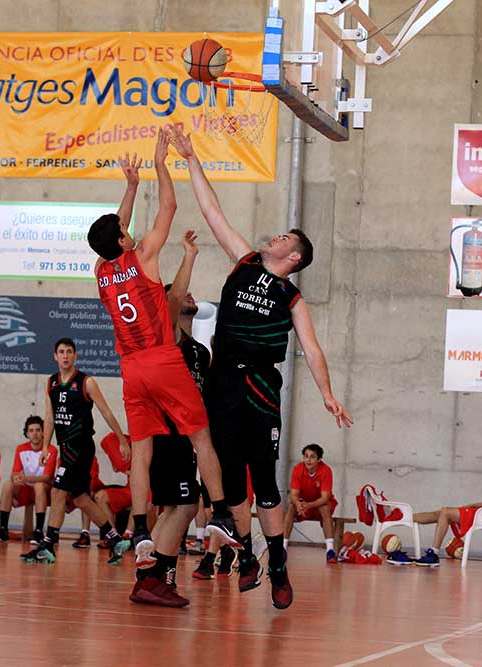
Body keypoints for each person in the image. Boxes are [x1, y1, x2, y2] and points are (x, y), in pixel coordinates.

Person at [168, 129, 353, 610]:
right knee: (231, 480)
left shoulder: (291, 296)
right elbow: (213, 212)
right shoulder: (245, 262)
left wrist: (328, 394)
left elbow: (312, 349)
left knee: (265, 481)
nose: (276, 236)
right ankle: (247, 556)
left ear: (294, 258)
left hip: (261, 387)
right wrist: (191, 157)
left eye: (285, 238)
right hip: (222, 380)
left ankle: (279, 565)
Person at [87, 127, 237, 572]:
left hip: (130, 369)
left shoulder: (101, 270)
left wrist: (131, 187)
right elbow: (168, 207)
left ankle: (139, 528)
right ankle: (222, 512)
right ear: (123, 241)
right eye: (124, 230)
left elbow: (112, 232)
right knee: (201, 437)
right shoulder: (144, 256)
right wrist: (159, 164)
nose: (129, 229)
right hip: (161, 358)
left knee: (142, 450)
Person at [130, 230, 211, 606]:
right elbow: (174, 294)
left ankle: (151, 577)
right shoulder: (165, 342)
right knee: (186, 504)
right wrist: (188, 256)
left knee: (177, 507)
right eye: (180, 295)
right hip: (164, 434)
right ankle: (153, 577)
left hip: (186, 439)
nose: (188, 296)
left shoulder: (200, 353)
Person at [20, 338, 129, 564]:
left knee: (58, 492)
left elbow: (107, 412)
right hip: (65, 447)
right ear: (55, 356)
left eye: (69, 351)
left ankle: (47, 545)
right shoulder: (51, 382)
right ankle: (115, 539)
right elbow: (50, 417)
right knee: (80, 499)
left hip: (81, 447)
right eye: (61, 352)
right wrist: (46, 446)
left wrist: (122, 440)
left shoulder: (86, 382)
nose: (65, 355)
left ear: (75, 355)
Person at [411, 455, 482, 566]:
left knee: (445, 512)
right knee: (441, 513)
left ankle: (433, 555)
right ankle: (407, 517)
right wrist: (471, 506)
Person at [0, 415, 56, 543]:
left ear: (43, 432)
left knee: (39, 485)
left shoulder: (51, 450)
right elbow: (15, 473)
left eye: (38, 430)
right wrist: (16, 478)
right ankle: (3, 529)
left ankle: (38, 531)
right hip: (25, 489)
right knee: (8, 484)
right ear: (27, 434)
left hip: (44, 491)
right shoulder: (21, 449)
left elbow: (47, 477)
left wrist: (25, 478)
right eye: (31, 431)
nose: (35, 434)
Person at [282, 444, 338, 564]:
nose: (308, 460)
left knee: (324, 508)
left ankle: (330, 551)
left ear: (319, 459)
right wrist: (298, 504)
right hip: (304, 504)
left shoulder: (326, 470)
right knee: (291, 506)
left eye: (312, 457)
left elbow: (325, 498)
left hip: (318, 505)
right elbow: (294, 494)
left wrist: (308, 505)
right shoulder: (298, 469)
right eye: (306, 456)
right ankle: (283, 548)